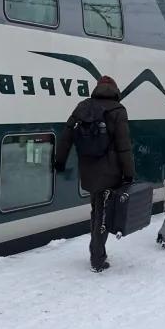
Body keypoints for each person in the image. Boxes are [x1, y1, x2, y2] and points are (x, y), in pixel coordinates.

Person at [55, 75, 134, 272]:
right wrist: (129, 173)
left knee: (96, 210)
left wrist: (59, 161)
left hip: (88, 169)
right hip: (110, 170)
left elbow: (66, 135)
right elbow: (124, 146)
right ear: (115, 90)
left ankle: (96, 250)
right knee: (103, 215)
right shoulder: (118, 110)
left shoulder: (83, 106)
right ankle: (97, 258)